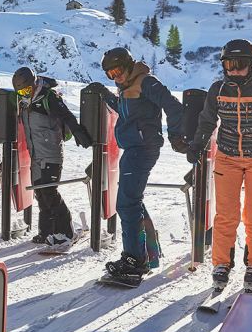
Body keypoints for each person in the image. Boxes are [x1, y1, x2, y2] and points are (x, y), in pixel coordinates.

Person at [186, 39, 252, 293]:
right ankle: (221, 264)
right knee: (226, 215)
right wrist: (197, 144)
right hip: (228, 157)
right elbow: (207, 121)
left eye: (240, 64)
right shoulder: (218, 89)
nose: (234, 70)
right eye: (229, 64)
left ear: (251, 64)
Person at [85, 48, 186, 286]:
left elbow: (173, 106)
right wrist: (105, 94)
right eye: (110, 74)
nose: (116, 76)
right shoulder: (126, 87)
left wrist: (175, 136)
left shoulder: (146, 82)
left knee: (127, 204)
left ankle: (134, 260)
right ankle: (148, 253)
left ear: (129, 65)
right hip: (133, 149)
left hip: (142, 149)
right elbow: (123, 111)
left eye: (118, 70)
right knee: (133, 201)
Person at [13, 66, 93, 247]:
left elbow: (67, 115)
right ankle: (47, 232)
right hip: (36, 155)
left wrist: (78, 131)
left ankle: (66, 232)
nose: (24, 94)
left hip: (51, 153)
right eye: (21, 92)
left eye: (26, 90)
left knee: (49, 192)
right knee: (40, 194)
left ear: (34, 84)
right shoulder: (24, 102)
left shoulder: (48, 97)